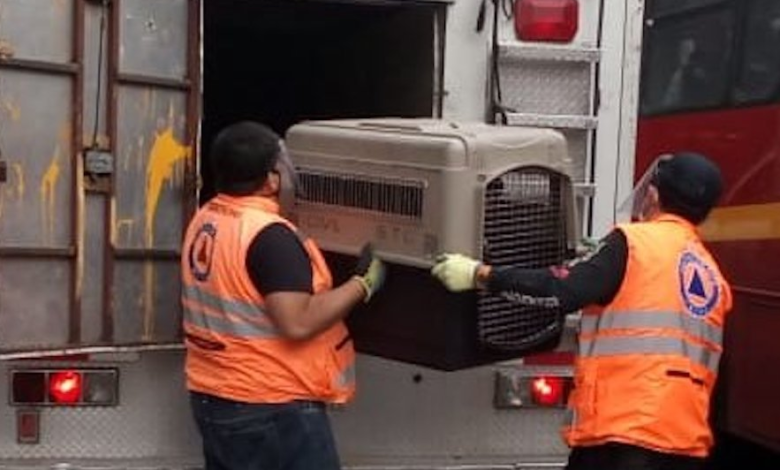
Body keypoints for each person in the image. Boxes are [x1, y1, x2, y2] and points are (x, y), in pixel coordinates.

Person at [431, 152, 732, 470]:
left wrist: (481, 274)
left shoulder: (633, 242)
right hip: (684, 443)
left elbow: (563, 291)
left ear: (654, 195)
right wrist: (598, 264)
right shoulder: (712, 274)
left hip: (625, 435)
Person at [180, 121, 385, 470]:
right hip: (271, 403)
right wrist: (361, 284)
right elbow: (297, 321)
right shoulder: (269, 237)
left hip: (215, 395)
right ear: (272, 179)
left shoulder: (209, 216)